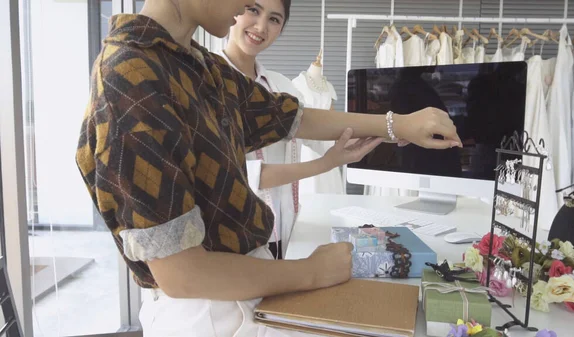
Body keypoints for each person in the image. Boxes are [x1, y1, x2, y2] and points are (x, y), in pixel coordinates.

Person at [75, 0, 462, 336]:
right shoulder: (131, 78)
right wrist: (311, 272)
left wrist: (397, 125)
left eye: (272, 16)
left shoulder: (193, 64)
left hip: (243, 290)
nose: (247, 10)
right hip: (208, 313)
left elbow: (288, 117)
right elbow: (181, 275)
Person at [217, 0, 377, 260]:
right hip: (237, 239)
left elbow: (318, 141)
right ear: (234, 8)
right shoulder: (209, 82)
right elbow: (245, 175)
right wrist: (325, 164)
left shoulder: (285, 88)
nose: (261, 26)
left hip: (286, 232)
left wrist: (380, 133)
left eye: (274, 19)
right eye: (254, 10)